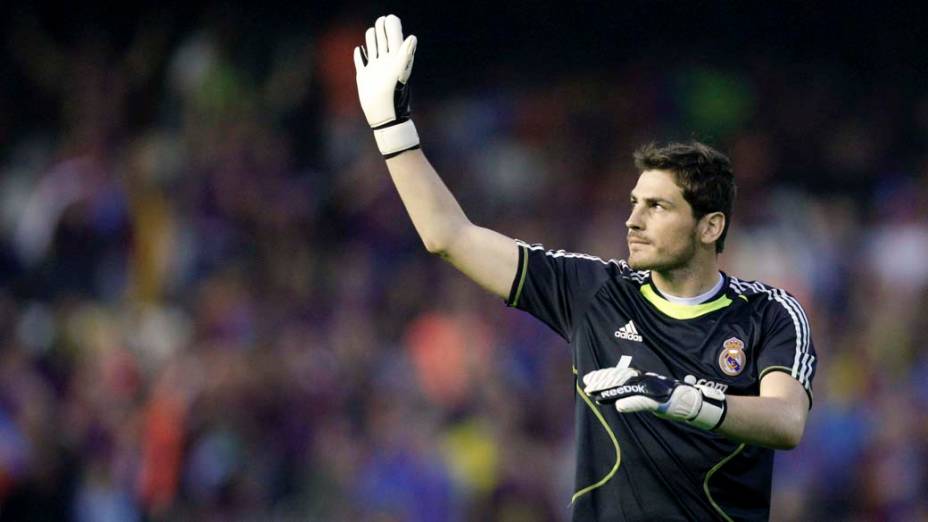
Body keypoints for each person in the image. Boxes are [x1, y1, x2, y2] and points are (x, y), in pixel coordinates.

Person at [353, 14, 816, 521]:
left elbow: (786, 420)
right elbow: (450, 236)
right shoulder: (597, 292)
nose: (632, 220)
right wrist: (391, 129)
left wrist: (682, 400)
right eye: (634, 202)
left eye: (657, 207)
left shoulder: (769, 314)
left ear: (710, 227)